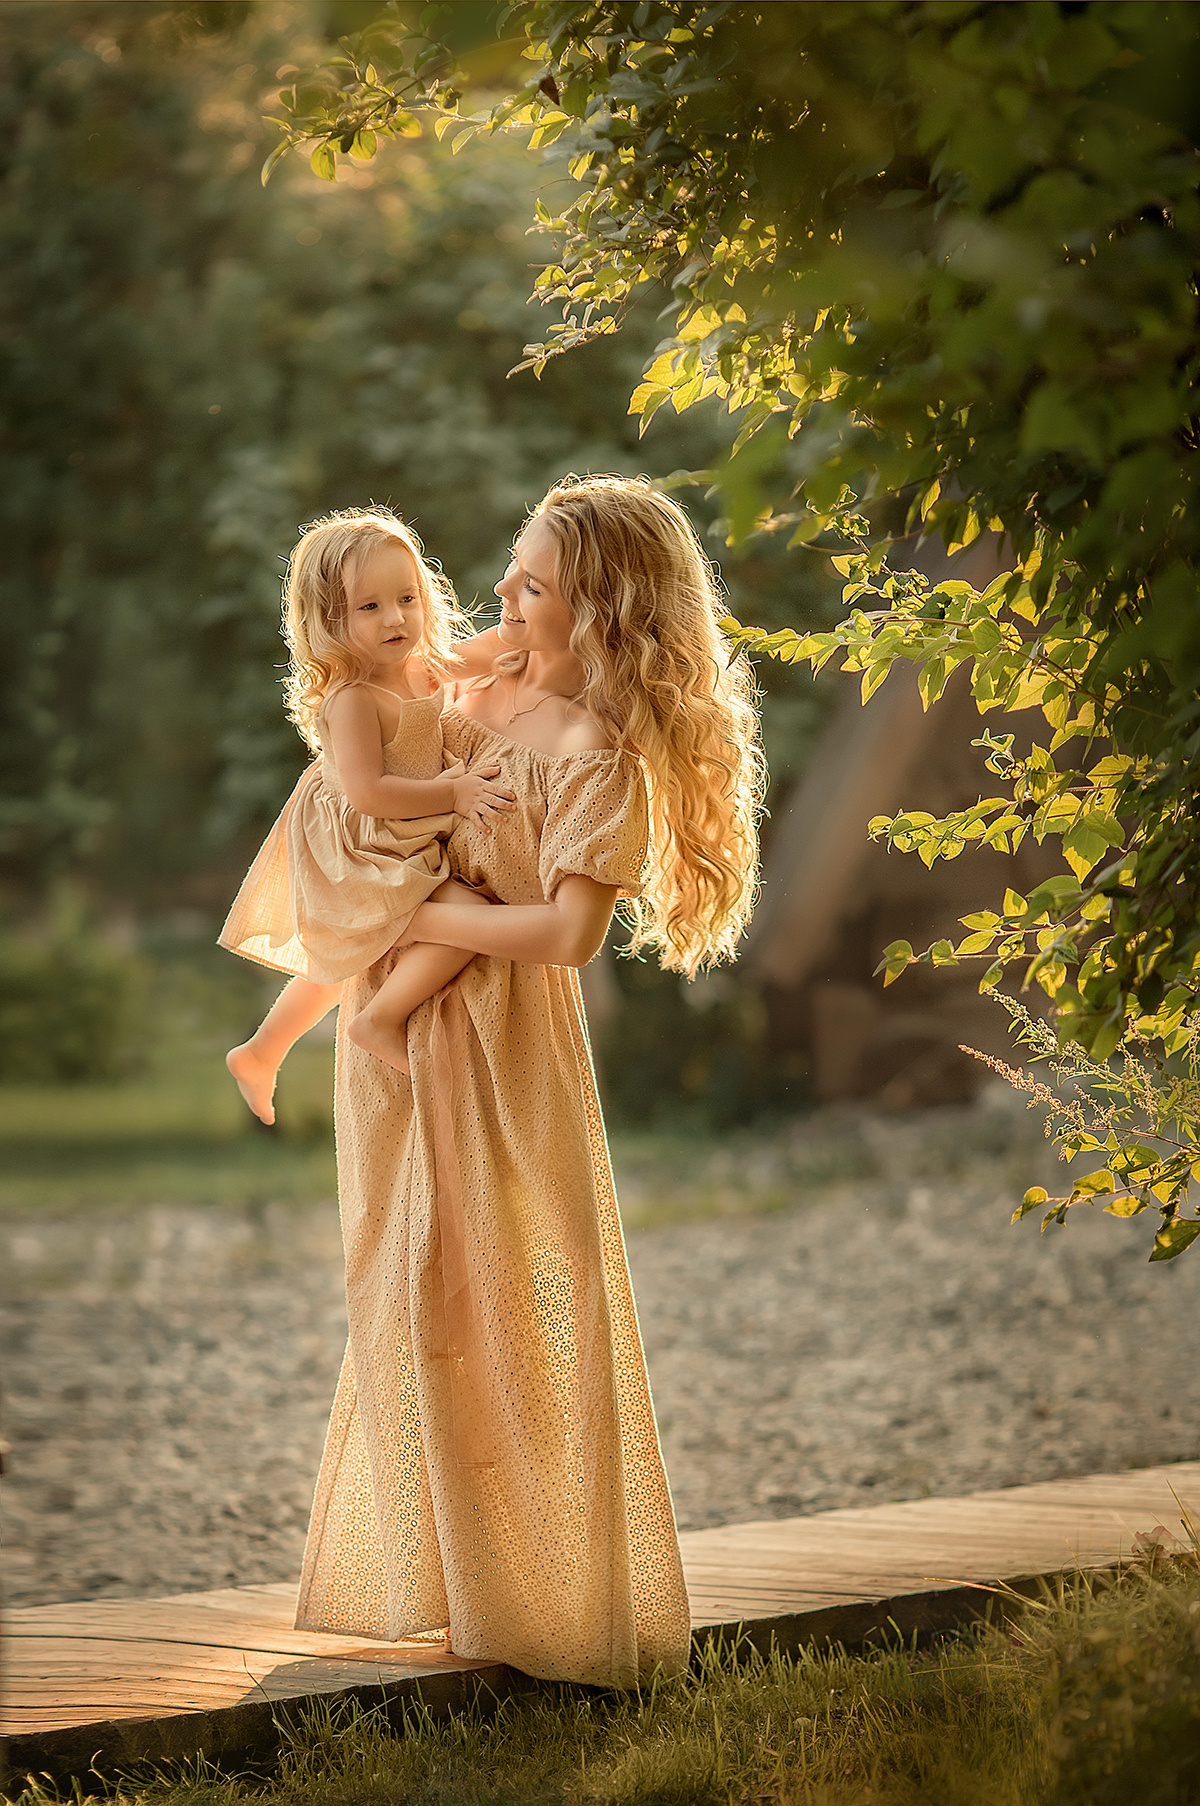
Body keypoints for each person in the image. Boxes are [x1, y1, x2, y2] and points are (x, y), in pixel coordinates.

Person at [293, 475, 765, 1688]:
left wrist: (443, 908)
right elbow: (367, 758)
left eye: (533, 582)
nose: (499, 594)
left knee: (515, 1302)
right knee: (410, 1293)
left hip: (505, 1049)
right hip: (396, 1030)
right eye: (512, 569)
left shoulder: (599, 754)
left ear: (597, 609)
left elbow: (565, 937)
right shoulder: (475, 685)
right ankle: (455, 1592)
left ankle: (547, 1606)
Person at [220, 509, 515, 1124]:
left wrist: (535, 629)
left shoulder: (423, 663)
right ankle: (376, 1021)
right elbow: (370, 793)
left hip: (402, 828)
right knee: (461, 918)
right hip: (361, 839)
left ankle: (260, 1051)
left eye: (407, 598)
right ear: (330, 622)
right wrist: (453, 793)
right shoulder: (354, 698)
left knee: (349, 953)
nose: (395, 618)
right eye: (369, 607)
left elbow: (487, 651)